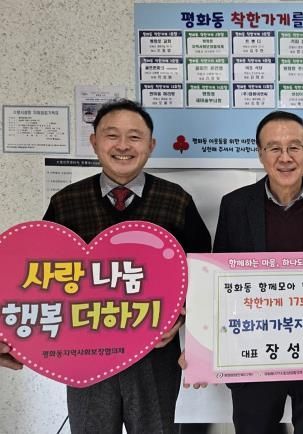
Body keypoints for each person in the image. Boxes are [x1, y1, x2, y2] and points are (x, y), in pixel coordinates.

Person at [43, 99, 212, 433]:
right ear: (94, 142)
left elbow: (201, 272)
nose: (123, 145)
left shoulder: (176, 200)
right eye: (112, 135)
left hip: (155, 353)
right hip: (86, 352)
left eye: (134, 137)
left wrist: (180, 320)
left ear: (150, 145)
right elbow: (41, 277)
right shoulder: (65, 202)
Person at [213, 110, 303, 434]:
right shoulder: (234, 205)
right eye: (274, 148)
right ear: (260, 153)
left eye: (294, 147)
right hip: (252, 353)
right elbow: (218, 285)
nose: (285, 157)